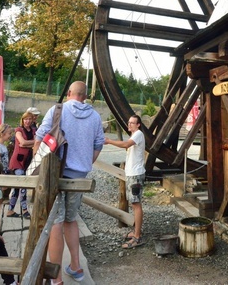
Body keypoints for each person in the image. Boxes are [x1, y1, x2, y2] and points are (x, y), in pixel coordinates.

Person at [35, 81, 104, 285]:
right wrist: (84, 163)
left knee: (55, 223)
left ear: (69, 94)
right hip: (79, 177)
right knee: (71, 220)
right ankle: (76, 267)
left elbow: (40, 138)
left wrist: (38, 167)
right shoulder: (95, 116)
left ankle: (56, 279)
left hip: (56, 174)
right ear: (84, 96)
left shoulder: (57, 110)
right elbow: (99, 144)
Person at [104, 114, 146, 249]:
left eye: (133, 123)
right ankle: (136, 231)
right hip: (132, 174)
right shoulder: (135, 135)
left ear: (138, 125)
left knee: (136, 204)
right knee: (134, 204)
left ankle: (137, 236)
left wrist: (109, 141)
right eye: (129, 123)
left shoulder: (138, 134)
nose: (130, 125)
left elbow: (126, 144)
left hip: (135, 175)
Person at [6, 111, 36, 218]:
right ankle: (24, 210)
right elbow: (22, 142)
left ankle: (10, 210)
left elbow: (37, 142)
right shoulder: (18, 130)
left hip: (27, 161)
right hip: (17, 161)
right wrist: (32, 143)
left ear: (32, 120)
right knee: (23, 185)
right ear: (22, 120)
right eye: (25, 119)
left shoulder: (33, 130)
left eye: (29, 119)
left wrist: (30, 144)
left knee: (18, 187)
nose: (27, 121)